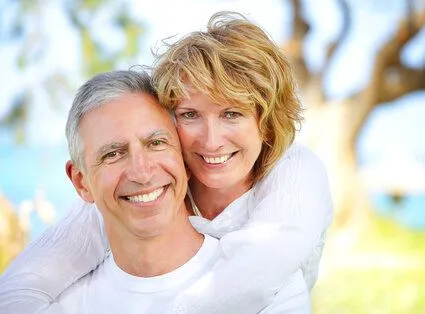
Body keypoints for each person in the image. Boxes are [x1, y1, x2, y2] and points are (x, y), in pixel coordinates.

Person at [0, 11, 332, 313]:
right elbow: (21, 287)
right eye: (190, 115)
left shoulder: (296, 174)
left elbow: (257, 275)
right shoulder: (142, 186)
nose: (211, 140)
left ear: (267, 120)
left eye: (232, 114)